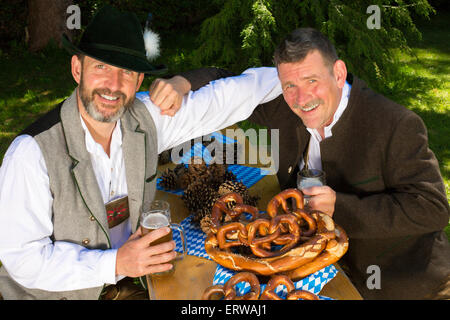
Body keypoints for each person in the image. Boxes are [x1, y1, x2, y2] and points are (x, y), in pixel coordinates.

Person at [0, 5, 282, 300]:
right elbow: (23, 259)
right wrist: (116, 262)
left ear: (137, 81)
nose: (113, 85)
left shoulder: (146, 119)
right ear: (77, 69)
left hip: (129, 284)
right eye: (101, 67)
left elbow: (227, 98)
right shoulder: (31, 153)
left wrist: (295, 78)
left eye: (126, 72)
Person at [149, 28, 450, 299]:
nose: (302, 98)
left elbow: (433, 209)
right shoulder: (283, 106)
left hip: (403, 284)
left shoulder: (395, 125)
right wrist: (181, 82)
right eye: (289, 84)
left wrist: (340, 208)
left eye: (312, 81)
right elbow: (225, 81)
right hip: (323, 272)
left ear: (339, 73)